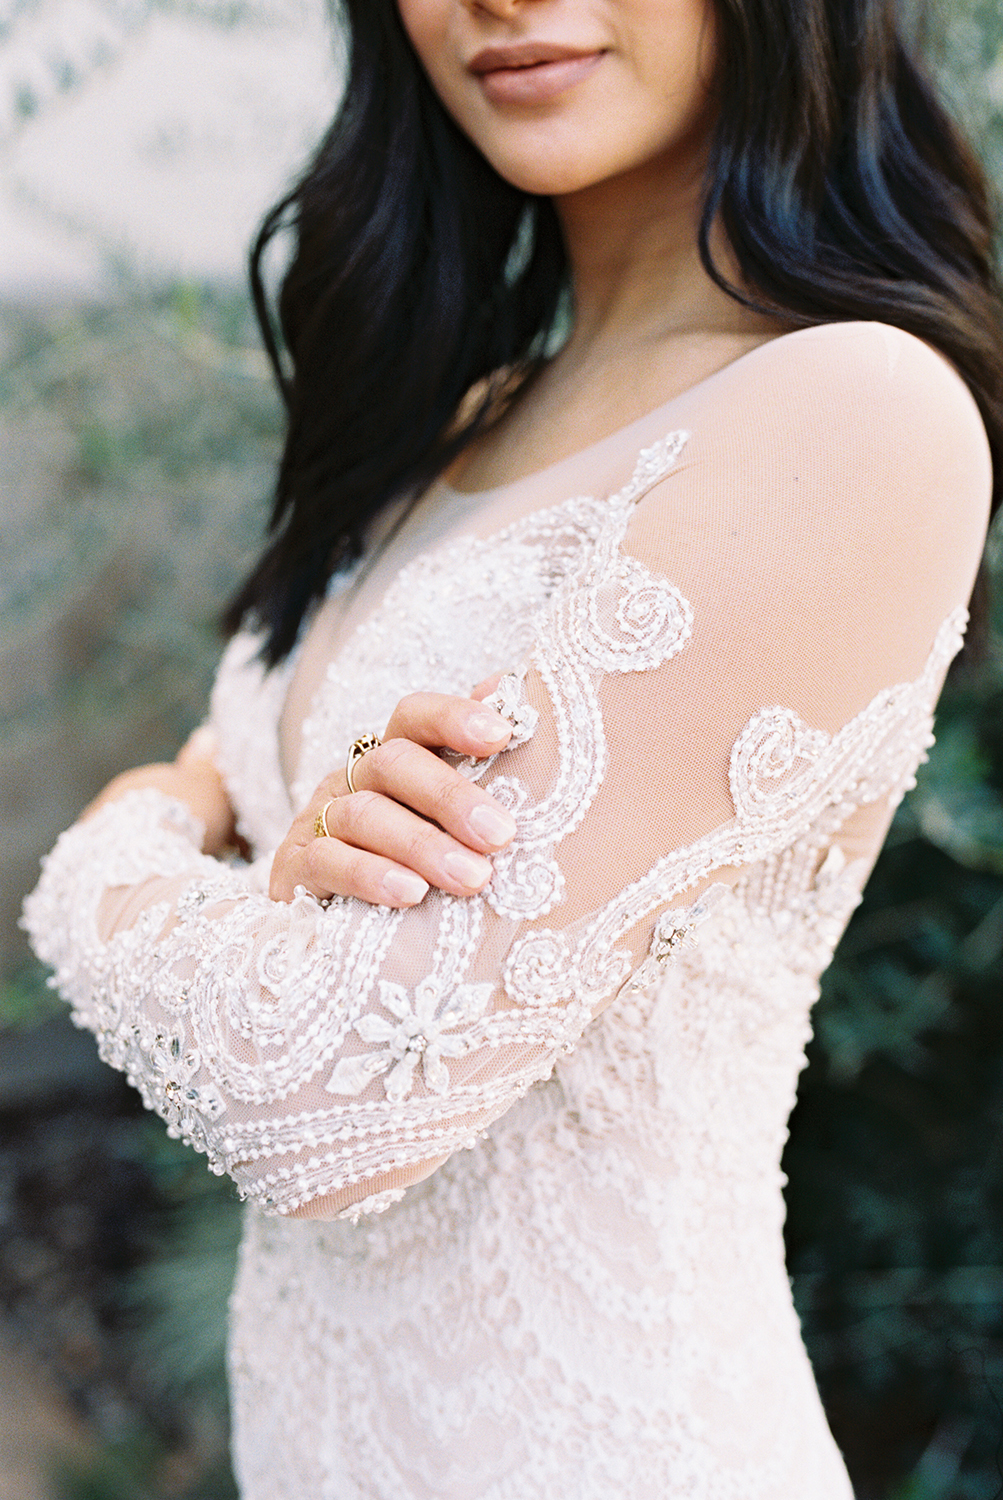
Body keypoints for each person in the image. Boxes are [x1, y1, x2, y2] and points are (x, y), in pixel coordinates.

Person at [23, 0, 1003, 1494]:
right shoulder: (450, 421)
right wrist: (261, 874)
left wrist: (118, 826)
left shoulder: (850, 408)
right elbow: (267, 865)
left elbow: (324, 1098)